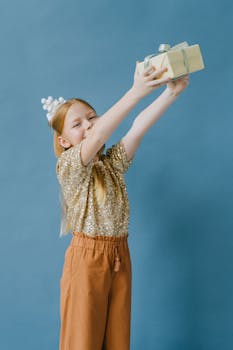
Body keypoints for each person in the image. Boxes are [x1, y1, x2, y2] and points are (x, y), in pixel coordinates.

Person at [41, 61, 189, 350]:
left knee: (117, 342)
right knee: (82, 342)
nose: (89, 125)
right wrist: (135, 92)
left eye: (92, 117)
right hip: (87, 262)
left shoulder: (110, 166)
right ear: (64, 141)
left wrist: (171, 92)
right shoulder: (68, 167)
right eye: (77, 124)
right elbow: (98, 136)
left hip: (119, 256)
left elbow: (136, 130)